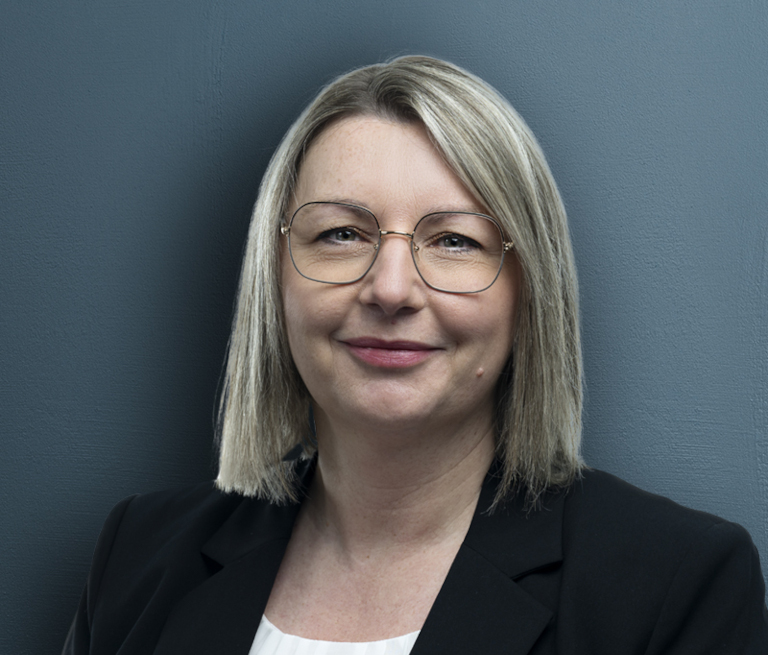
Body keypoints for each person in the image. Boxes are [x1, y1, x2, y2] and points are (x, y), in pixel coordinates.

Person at [63, 55, 768, 655]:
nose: (391, 289)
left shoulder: (678, 585)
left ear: (530, 292)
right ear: (274, 277)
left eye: (455, 240)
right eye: (341, 234)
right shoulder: (139, 556)